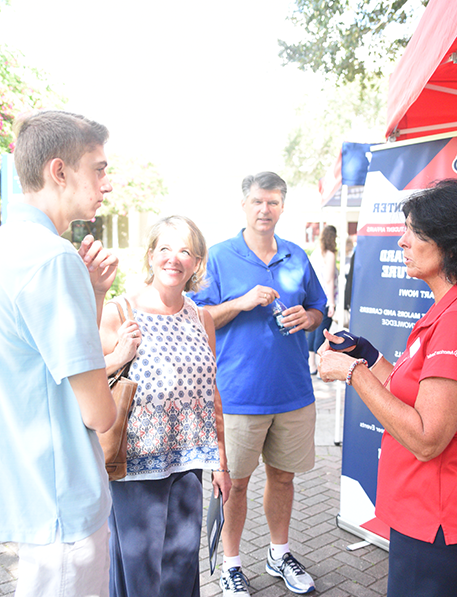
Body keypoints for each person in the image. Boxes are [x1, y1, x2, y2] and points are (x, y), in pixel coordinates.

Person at [318, 179, 457, 597]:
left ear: (448, 243)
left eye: (413, 231)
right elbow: (411, 391)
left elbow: (427, 438)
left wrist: (352, 373)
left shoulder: (454, 320)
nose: (401, 241)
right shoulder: (444, 309)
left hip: (434, 519)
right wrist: (365, 355)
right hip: (422, 514)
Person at [190, 171, 326, 596]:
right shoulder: (218, 257)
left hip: (293, 393)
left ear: (283, 206)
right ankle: (231, 565)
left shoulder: (297, 256)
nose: (264, 210)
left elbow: (319, 308)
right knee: (235, 483)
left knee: (283, 479)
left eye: (273, 202)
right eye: (257, 202)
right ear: (243, 206)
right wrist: (241, 302)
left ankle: (278, 554)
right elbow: (196, 317)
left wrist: (310, 318)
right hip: (237, 395)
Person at [0, 110, 118, 597]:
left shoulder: (12, 245)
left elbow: (46, 364)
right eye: (99, 168)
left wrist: (92, 295)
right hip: (64, 504)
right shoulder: (53, 258)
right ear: (59, 171)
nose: (106, 184)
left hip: (29, 489)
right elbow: (99, 413)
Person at [100, 215, 232, 597]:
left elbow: (213, 392)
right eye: (165, 249)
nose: (174, 259)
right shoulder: (119, 312)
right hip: (135, 468)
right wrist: (120, 354)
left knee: (180, 571)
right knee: (140, 577)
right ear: (150, 256)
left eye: (185, 251)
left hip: (190, 466)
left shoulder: (200, 316)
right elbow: (83, 377)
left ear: (197, 262)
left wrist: (221, 463)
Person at [307, 224, 338, 374]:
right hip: (325, 298)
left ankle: (311, 364)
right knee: (322, 332)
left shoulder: (315, 253)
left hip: (313, 297)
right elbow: (329, 280)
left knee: (313, 331)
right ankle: (320, 368)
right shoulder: (329, 254)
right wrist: (331, 303)